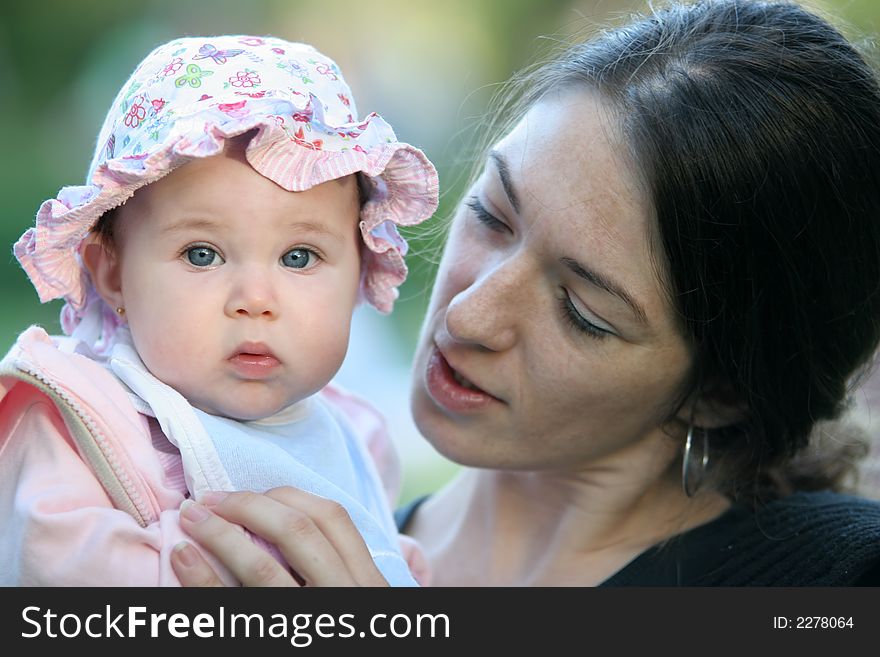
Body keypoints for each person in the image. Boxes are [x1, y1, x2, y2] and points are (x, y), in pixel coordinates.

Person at [167, 0, 880, 587]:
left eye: (582, 312)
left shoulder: (832, 577)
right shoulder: (327, 530)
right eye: (491, 215)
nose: (469, 314)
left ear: (720, 391)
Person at [0, 35, 438, 586]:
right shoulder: (76, 415)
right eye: (201, 254)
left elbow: (390, 563)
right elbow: (52, 568)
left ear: (359, 268)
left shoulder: (356, 437)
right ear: (113, 273)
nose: (254, 300)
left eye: (298, 257)